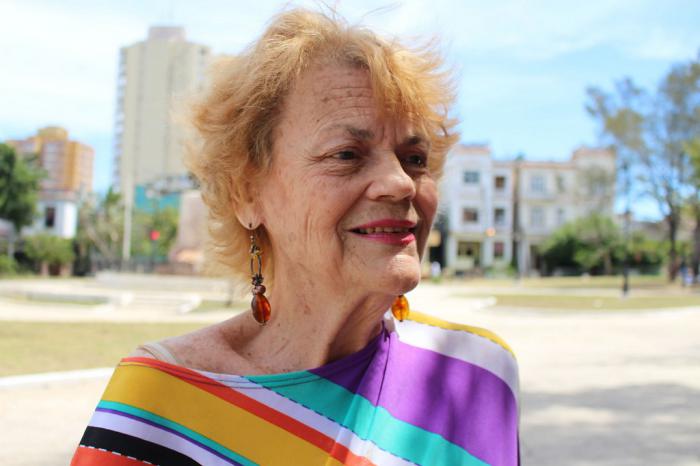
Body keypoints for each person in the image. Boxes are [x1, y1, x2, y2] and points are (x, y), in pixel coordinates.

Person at [71, 8, 519, 466]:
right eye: (347, 154)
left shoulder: (479, 374)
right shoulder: (157, 409)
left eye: (415, 158)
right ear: (247, 194)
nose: (401, 182)